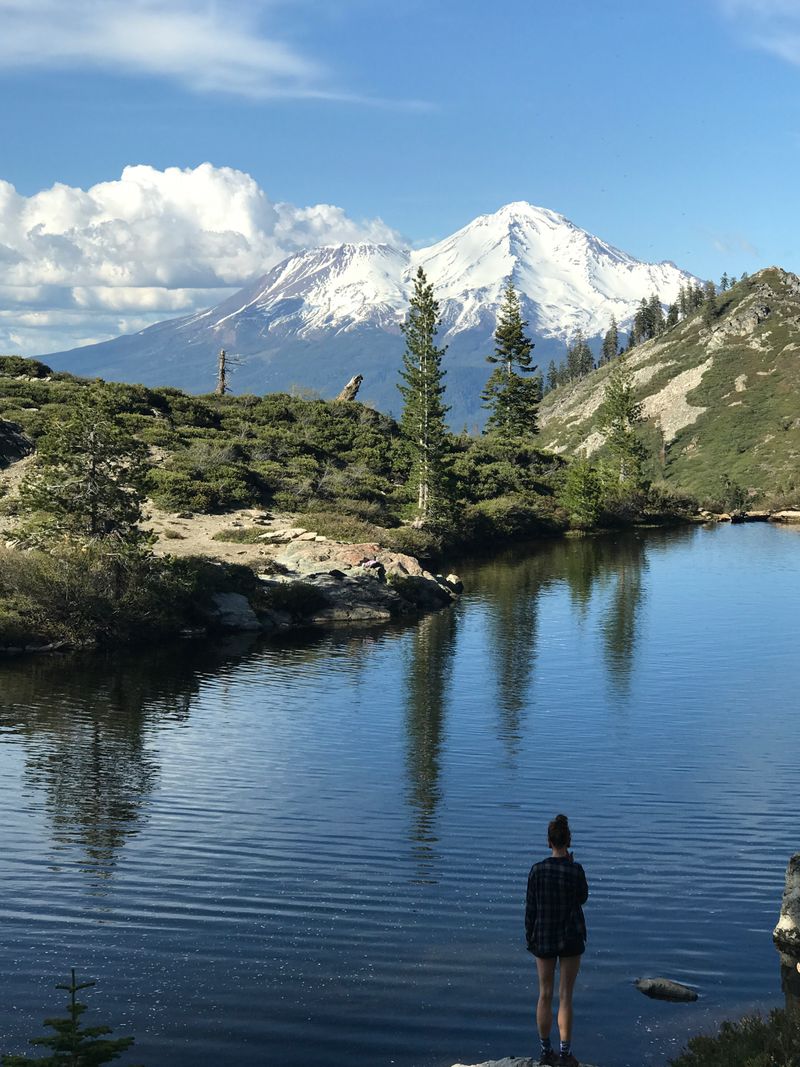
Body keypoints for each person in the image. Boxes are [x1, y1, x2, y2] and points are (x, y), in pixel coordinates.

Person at [525, 813, 589, 1067]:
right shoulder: (575, 870)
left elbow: (531, 909)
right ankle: (565, 1054)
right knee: (565, 996)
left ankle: (545, 1052)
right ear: (568, 841)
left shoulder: (537, 870)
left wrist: (530, 937)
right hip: (571, 938)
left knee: (545, 994)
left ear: (548, 842)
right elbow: (582, 898)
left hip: (543, 938)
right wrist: (572, 866)